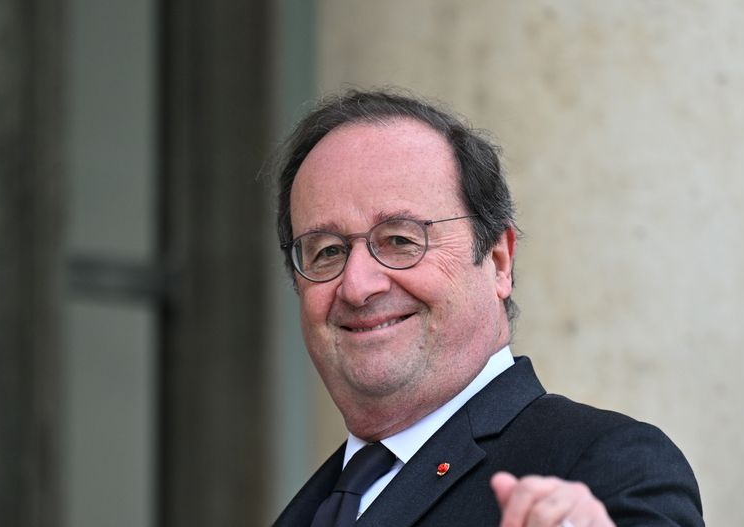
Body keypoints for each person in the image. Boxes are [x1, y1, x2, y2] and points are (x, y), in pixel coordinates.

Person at [271, 89, 703, 527]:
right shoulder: (311, 509)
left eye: (400, 240)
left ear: (498, 260)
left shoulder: (603, 467)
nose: (357, 285)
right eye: (326, 251)